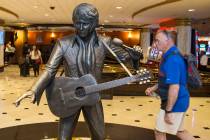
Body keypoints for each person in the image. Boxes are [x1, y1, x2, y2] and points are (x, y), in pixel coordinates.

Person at [15, 3, 140, 140]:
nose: (80, 28)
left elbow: (126, 59)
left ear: (94, 23)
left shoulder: (105, 42)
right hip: (69, 96)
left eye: (85, 24)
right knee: (63, 137)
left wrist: (134, 56)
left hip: (92, 96)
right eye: (77, 23)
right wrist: (34, 89)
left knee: (100, 136)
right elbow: (50, 69)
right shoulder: (63, 43)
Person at [145, 30, 195, 140]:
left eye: (157, 41)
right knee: (179, 131)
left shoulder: (173, 59)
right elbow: (165, 80)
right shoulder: (169, 55)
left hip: (174, 103)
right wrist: (153, 88)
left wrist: (168, 110)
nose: (155, 44)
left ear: (168, 41)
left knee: (159, 132)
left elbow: (174, 87)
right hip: (179, 100)